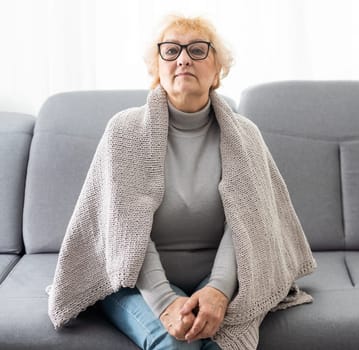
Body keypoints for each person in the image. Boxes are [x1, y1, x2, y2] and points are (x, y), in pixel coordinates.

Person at [47, 14, 317, 350]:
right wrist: (165, 302)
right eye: (171, 51)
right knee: (177, 345)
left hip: (222, 280)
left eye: (198, 50)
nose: (184, 58)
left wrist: (218, 291)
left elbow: (249, 226)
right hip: (134, 282)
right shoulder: (125, 131)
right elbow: (125, 231)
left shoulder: (245, 136)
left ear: (218, 70)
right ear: (155, 69)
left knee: (224, 341)